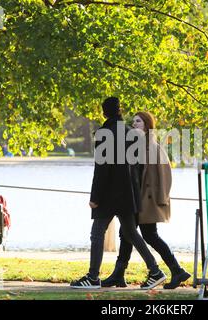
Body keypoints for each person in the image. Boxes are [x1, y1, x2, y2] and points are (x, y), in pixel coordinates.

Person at [70, 97, 166, 290]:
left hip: (108, 194)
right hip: (128, 193)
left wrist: (95, 197)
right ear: (120, 111)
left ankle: (93, 277)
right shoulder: (132, 133)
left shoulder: (105, 133)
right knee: (131, 232)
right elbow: (138, 166)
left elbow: (102, 168)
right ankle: (155, 270)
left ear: (104, 113)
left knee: (97, 233)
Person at [102, 111, 190, 289]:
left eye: (138, 122)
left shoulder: (153, 147)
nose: (134, 125)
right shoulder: (138, 147)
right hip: (136, 200)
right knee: (126, 233)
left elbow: (165, 177)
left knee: (148, 235)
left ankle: (176, 270)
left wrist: (160, 199)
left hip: (148, 202)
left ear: (147, 125)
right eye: (133, 122)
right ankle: (119, 274)